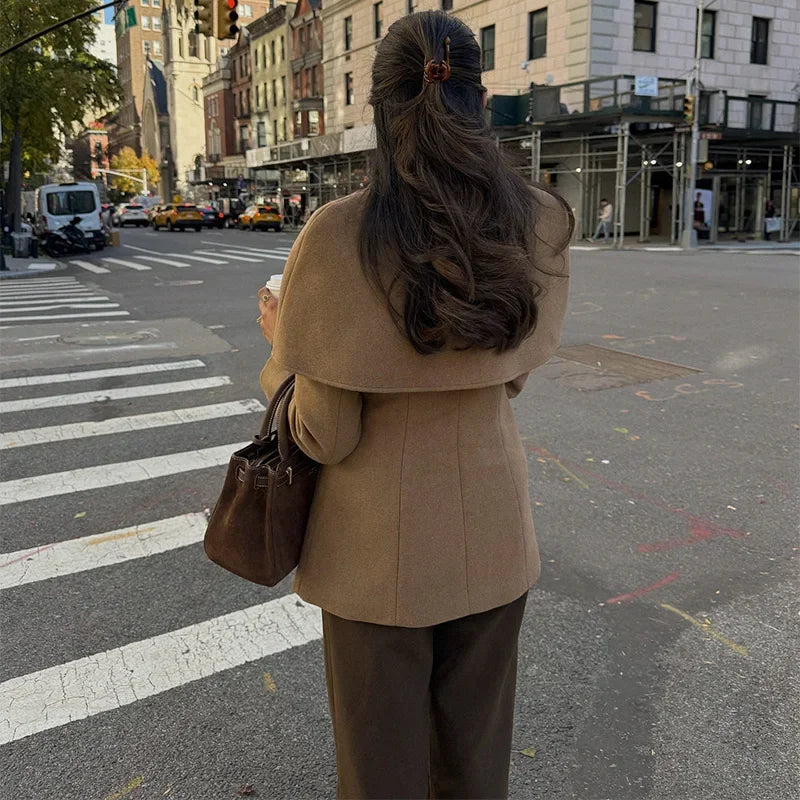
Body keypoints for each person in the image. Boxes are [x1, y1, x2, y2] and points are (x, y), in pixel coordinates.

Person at [255, 10, 572, 799]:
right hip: (495, 537)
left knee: (381, 779)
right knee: (474, 770)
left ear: (379, 107)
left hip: (375, 559)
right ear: (479, 100)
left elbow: (326, 434)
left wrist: (284, 345)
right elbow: (510, 376)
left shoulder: (339, 236)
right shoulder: (533, 222)